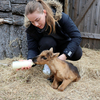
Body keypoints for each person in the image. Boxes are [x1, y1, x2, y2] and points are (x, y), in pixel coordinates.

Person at [19, 0, 82, 74]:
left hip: (63, 45)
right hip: (47, 47)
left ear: (44, 13)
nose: (36, 24)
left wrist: (65, 55)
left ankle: (60, 58)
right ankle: (47, 65)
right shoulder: (31, 28)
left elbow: (76, 36)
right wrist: (30, 61)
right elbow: (32, 48)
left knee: (77, 52)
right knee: (47, 41)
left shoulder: (61, 17)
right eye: (32, 22)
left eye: (37, 20)